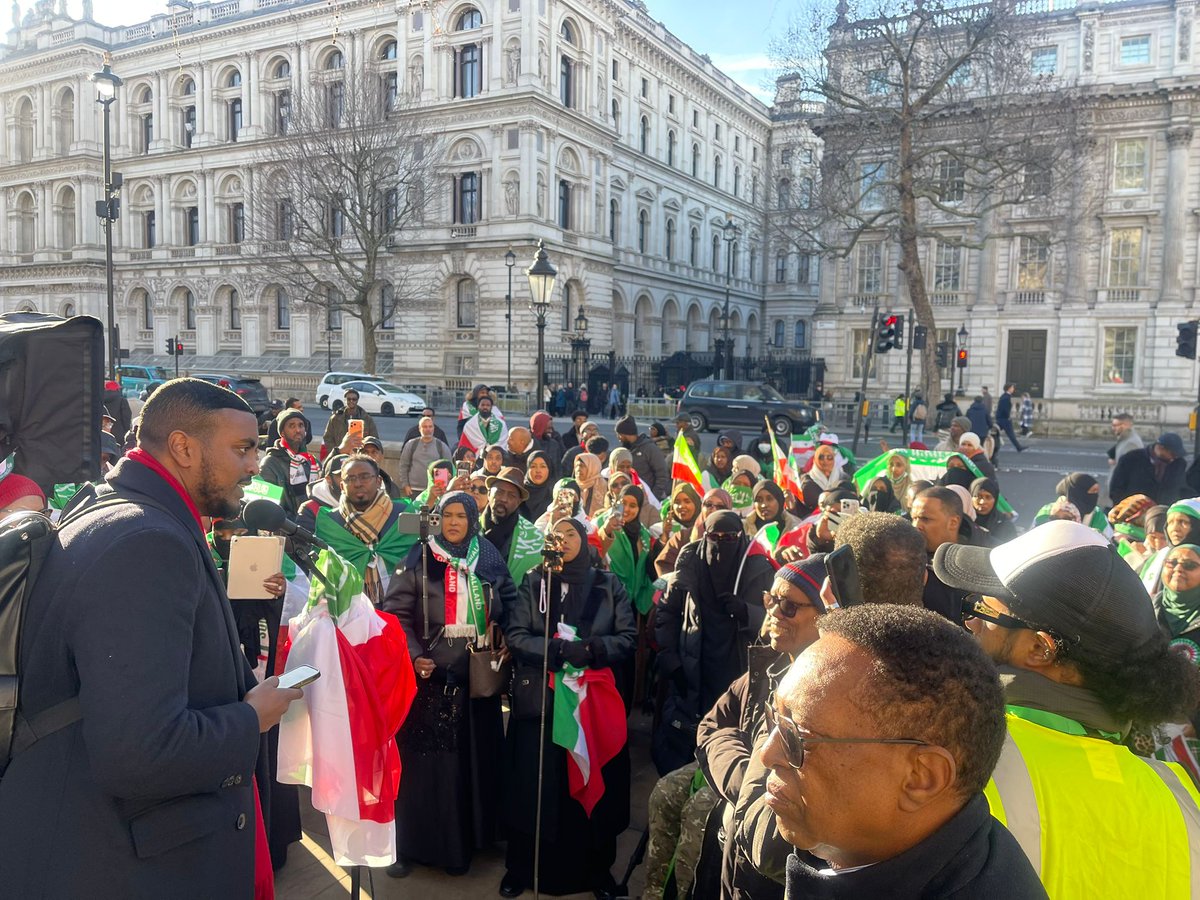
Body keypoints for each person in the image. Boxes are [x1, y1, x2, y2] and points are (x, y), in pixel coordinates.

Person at [0, 378, 304, 897]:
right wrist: (252, 718)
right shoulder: (145, 541)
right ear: (183, 447)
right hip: (118, 862)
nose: (255, 465)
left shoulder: (116, 509)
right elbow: (142, 753)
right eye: (242, 448)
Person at [934, 522, 1200, 897]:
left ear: (1040, 649)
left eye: (981, 610)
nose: (971, 622)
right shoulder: (1182, 800)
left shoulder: (949, 758)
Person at [762, 604, 1045, 899]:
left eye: (797, 737)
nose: (767, 755)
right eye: (775, 718)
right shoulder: (858, 848)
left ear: (921, 778)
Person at [500, 517, 637, 898]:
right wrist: (555, 650)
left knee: (593, 781)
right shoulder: (534, 582)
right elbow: (517, 634)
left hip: (590, 702)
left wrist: (592, 650)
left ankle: (596, 871)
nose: (562, 539)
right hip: (542, 704)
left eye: (570, 533)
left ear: (584, 540)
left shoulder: (608, 584)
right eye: (555, 534)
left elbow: (627, 636)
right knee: (533, 785)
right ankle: (522, 869)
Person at [382, 490, 516, 878]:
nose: (454, 522)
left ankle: (471, 841)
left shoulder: (487, 556)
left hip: (478, 682)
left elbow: (509, 602)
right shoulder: (420, 557)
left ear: (472, 520)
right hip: (432, 682)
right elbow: (395, 613)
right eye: (447, 515)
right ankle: (415, 846)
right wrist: (413, 656)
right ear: (437, 519)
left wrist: (505, 636)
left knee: (474, 764)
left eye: (461, 516)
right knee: (429, 771)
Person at [654, 510, 776, 774]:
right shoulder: (690, 563)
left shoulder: (756, 567)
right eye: (714, 537)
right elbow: (667, 612)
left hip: (738, 668)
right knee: (685, 742)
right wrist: (670, 660)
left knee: (728, 738)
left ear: (740, 537)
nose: (720, 544)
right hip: (692, 666)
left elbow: (774, 618)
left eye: (729, 538)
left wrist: (746, 611)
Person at [308, 455, 414, 605]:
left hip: (402, 606)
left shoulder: (403, 514)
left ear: (378, 481)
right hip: (348, 609)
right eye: (350, 479)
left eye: (365, 477)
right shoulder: (330, 523)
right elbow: (321, 575)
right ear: (342, 486)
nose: (357, 484)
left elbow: (420, 562)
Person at [910, 486, 970, 623]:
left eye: (925, 519)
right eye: (913, 518)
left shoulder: (980, 562)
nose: (916, 525)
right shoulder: (906, 556)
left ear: (953, 522)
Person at [481, 466, 544, 587]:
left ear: (519, 502)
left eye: (511, 496)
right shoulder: (470, 526)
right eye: (499, 492)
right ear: (489, 494)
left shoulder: (534, 539)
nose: (504, 499)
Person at [258, 406, 317, 517]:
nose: (298, 430)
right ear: (282, 433)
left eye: (301, 425)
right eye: (292, 426)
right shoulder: (270, 464)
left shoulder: (312, 462)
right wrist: (295, 524)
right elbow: (269, 507)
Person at [1110, 432, 1189, 506]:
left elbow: (1182, 488)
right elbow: (1116, 488)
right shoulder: (1130, 459)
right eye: (1172, 454)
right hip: (1134, 510)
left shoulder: (1179, 464)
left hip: (1164, 511)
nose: (1174, 458)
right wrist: (1124, 507)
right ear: (1161, 448)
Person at [1033, 472, 1112, 538]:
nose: (1095, 496)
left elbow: (1108, 542)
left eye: (1096, 492)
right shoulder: (1047, 512)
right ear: (1079, 492)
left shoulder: (1097, 516)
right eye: (1093, 491)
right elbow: (1034, 538)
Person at [613, 414, 670, 499]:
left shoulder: (649, 449)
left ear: (625, 434)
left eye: (619, 435)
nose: (618, 438)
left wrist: (652, 497)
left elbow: (662, 475)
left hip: (647, 499)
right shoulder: (625, 449)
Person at [398, 416, 453, 497]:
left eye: (430, 427)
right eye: (425, 427)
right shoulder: (411, 444)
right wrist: (405, 485)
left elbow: (449, 468)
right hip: (413, 490)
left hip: (434, 490)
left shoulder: (441, 446)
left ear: (433, 428)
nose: (428, 429)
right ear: (419, 428)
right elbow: (403, 466)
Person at [654, 482, 702, 577]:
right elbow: (656, 565)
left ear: (696, 503)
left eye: (687, 501)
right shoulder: (658, 529)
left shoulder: (703, 529)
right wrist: (664, 536)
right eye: (676, 502)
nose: (681, 506)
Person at [322, 388, 379, 453]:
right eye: (349, 399)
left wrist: (365, 452)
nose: (351, 401)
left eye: (354, 399)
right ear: (345, 400)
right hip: (341, 454)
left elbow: (374, 439)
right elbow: (327, 438)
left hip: (359, 455)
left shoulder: (367, 419)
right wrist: (336, 452)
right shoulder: (335, 418)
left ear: (357, 400)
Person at [971, 476, 1015, 542]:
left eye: (988, 497)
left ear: (995, 499)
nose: (982, 502)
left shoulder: (1005, 525)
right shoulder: (963, 523)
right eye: (978, 496)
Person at [361, 435, 403, 500]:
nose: (369, 456)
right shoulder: (352, 482)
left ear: (382, 457)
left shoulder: (391, 487)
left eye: (374, 452)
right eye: (365, 452)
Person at [520, 450, 555, 521]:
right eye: (533, 466)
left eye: (543, 466)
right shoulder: (519, 493)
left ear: (549, 469)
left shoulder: (555, 494)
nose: (538, 471)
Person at [995, 383, 1025, 453]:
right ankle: (1018, 447)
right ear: (1009, 388)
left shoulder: (1005, 396)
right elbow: (1004, 409)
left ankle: (993, 445)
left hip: (1001, 418)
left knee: (995, 433)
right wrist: (1008, 416)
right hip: (1004, 419)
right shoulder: (1006, 397)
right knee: (1011, 434)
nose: (1013, 389)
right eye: (1012, 388)